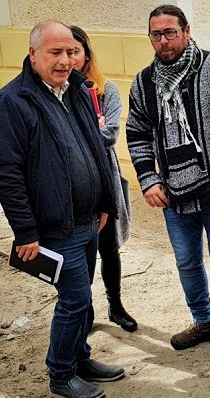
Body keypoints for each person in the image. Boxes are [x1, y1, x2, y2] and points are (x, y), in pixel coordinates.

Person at [0, 20, 125, 398]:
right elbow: (6, 174)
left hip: (87, 220)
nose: (65, 61)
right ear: (33, 54)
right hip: (54, 226)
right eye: (55, 53)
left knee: (84, 295)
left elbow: (96, 149)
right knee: (75, 300)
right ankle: (61, 376)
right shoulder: (10, 104)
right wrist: (26, 232)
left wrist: (104, 205)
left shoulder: (76, 90)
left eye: (70, 52)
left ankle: (81, 359)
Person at [126, 5, 210, 358]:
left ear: (186, 31)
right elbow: (137, 133)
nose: (164, 40)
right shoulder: (143, 83)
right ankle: (203, 322)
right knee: (187, 262)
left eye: (170, 32)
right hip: (173, 195)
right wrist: (148, 179)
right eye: (156, 34)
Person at [70, 25, 137, 332]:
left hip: (104, 178)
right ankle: (84, 312)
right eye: (62, 52)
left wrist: (83, 131)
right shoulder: (56, 93)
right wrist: (90, 128)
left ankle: (116, 306)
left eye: (75, 51)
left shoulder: (104, 89)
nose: (69, 59)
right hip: (72, 183)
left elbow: (109, 135)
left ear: (86, 53)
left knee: (108, 247)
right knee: (81, 250)